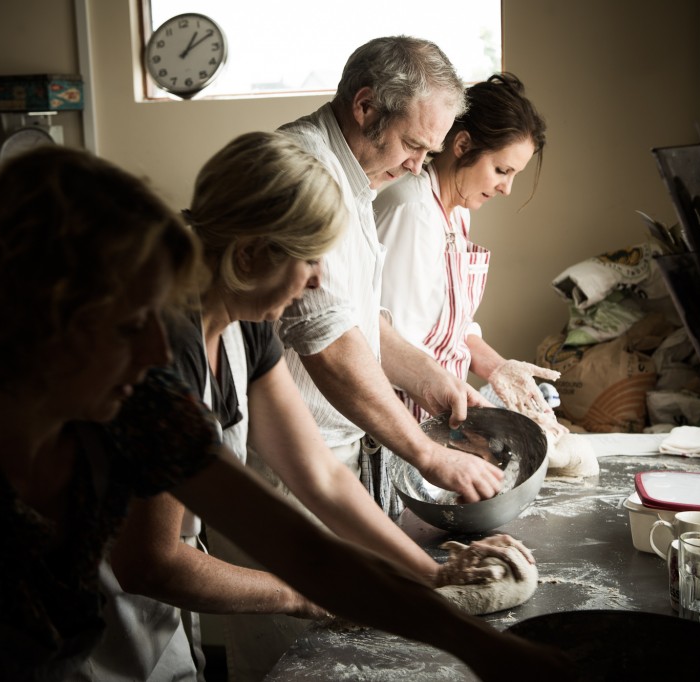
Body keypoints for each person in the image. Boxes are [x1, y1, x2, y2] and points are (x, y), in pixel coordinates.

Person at [0, 145, 569, 681]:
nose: (154, 352)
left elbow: (303, 549)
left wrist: (486, 649)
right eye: (128, 324)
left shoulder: (139, 407)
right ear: (42, 319)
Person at [73, 131, 538, 682]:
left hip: (147, 622)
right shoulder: (162, 351)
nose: (319, 280)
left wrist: (429, 576)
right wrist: (303, 596)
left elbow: (318, 474)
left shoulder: (246, 325)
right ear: (248, 255)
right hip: (76, 625)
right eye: (311, 259)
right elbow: (151, 562)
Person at [275, 36, 504, 518]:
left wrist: (430, 381)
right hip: (287, 461)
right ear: (365, 106)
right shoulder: (305, 173)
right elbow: (329, 344)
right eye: (413, 145)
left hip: (337, 449)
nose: (419, 166)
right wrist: (428, 455)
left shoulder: (358, 179)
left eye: (429, 151)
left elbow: (361, 321)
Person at [373, 73, 566, 439]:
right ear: (462, 145)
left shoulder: (457, 211)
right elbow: (389, 344)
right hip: (401, 418)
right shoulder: (411, 209)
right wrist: (479, 415)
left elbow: (451, 329)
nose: (507, 189)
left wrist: (497, 367)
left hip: (435, 411)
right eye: (501, 170)